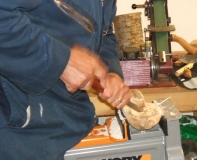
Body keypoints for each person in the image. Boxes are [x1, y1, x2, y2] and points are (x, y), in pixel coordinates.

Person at [0, 0, 131, 159]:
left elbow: (104, 32)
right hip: (18, 126)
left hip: (68, 120)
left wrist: (111, 72)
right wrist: (60, 60)